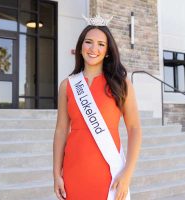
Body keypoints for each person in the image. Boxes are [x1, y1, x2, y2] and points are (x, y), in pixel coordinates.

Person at [53, 15, 142, 200]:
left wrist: (127, 174)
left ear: (108, 50)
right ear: (80, 47)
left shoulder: (121, 84)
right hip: (73, 171)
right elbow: (61, 130)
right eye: (89, 42)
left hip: (108, 173)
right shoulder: (67, 85)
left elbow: (134, 129)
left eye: (101, 44)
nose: (94, 49)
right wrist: (56, 174)